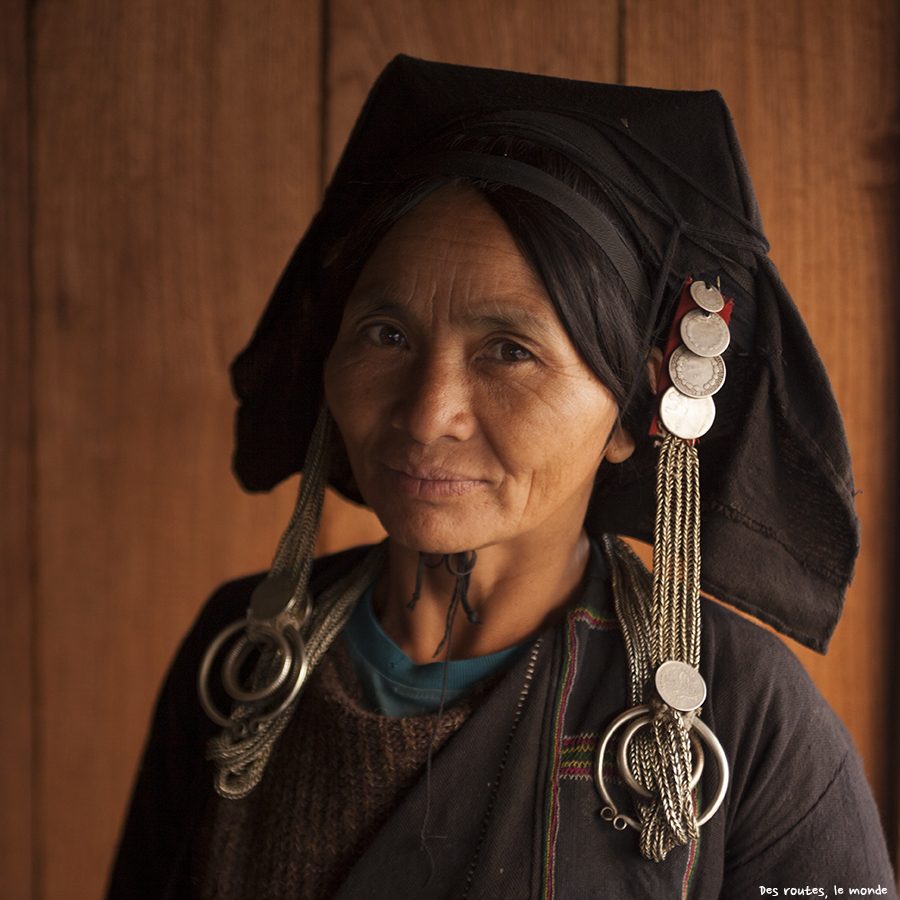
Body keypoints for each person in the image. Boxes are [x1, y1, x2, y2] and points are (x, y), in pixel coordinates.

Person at [107, 56, 897, 899]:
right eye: (385, 335)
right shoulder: (242, 658)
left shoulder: (743, 719)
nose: (426, 413)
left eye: (510, 352)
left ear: (636, 413)